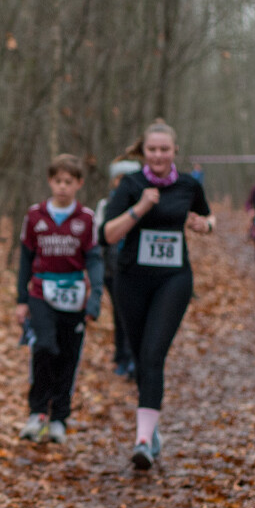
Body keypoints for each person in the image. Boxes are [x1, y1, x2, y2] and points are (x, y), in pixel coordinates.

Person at [99, 119, 215, 471]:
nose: (159, 155)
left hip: (174, 280)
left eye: (165, 149)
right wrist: (140, 208)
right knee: (140, 356)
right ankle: (150, 425)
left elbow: (208, 219)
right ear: (144, 152)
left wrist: (204, 226)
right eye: (153, 149)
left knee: (153, 355)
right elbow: (107, 235)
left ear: (174, 151)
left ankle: (143, 440)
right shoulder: (131, 185)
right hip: (131, 280)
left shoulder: (188, 185)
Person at [16, 154, 104, 445]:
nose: (63, 187)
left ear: (78, 184)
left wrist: (95, 299)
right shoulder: (35, 215)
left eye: (69, 182)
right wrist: (21, 300)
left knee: (68, 354)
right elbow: (25, 260)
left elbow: (94, 260)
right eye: (58, 181)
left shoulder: (87, 219)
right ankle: (37, 412)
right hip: (41, 292)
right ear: (50, 181)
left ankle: (59, 418)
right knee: (44, 346)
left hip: (74, 295)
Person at [96, 156, 144, 379]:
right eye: (119, 178)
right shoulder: (105, 206)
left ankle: (137, 359)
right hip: (113, 270)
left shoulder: (144, 205)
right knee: (120, 315)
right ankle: (122, 357)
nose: (122, 182)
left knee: (138, 316)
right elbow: (99, 236)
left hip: (137, 269)